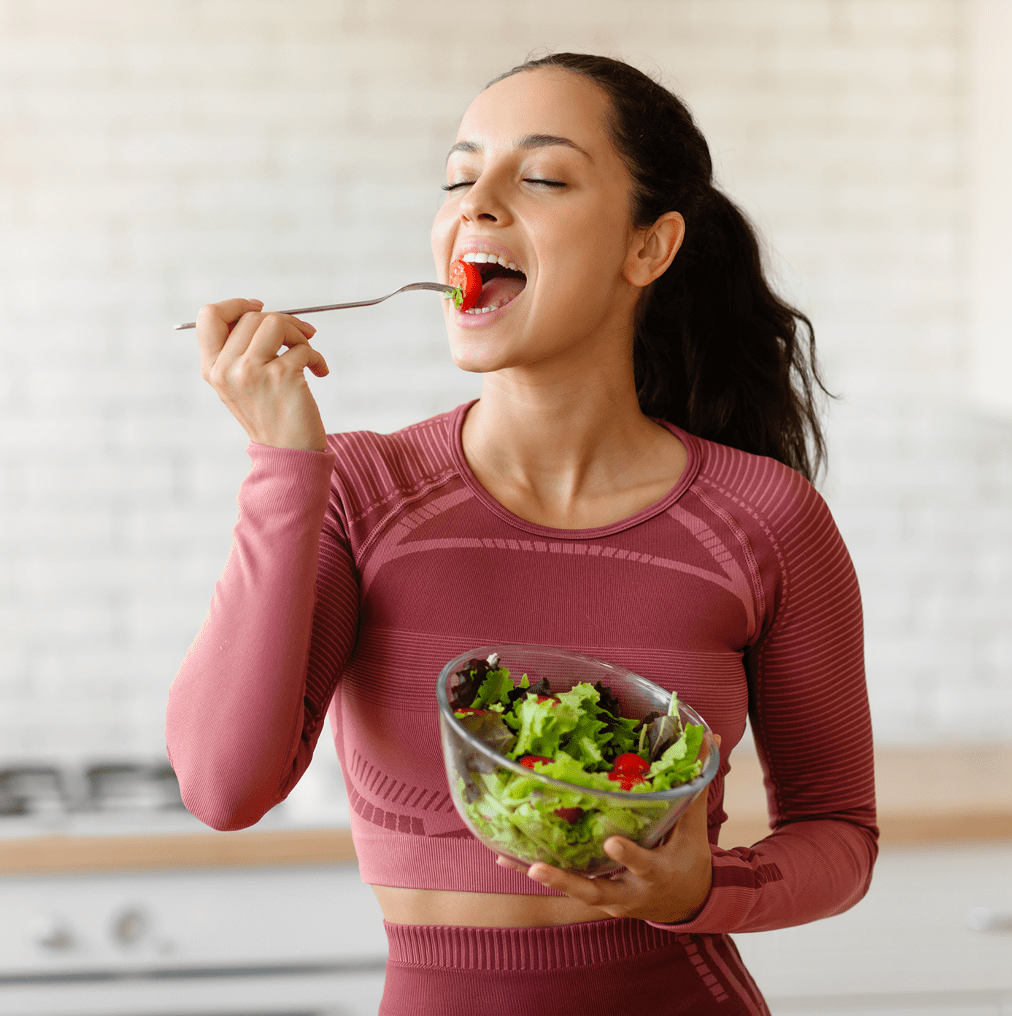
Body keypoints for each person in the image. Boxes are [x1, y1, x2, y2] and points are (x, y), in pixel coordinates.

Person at [166, 53, 877, 1016]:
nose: (478, 204)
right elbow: (222, 787)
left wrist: (703, 890)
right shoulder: (360, 494)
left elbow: (838, 834)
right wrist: (285, 465)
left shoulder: (768, 519)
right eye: (459, 178)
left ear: (650, 248)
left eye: (539, 177)